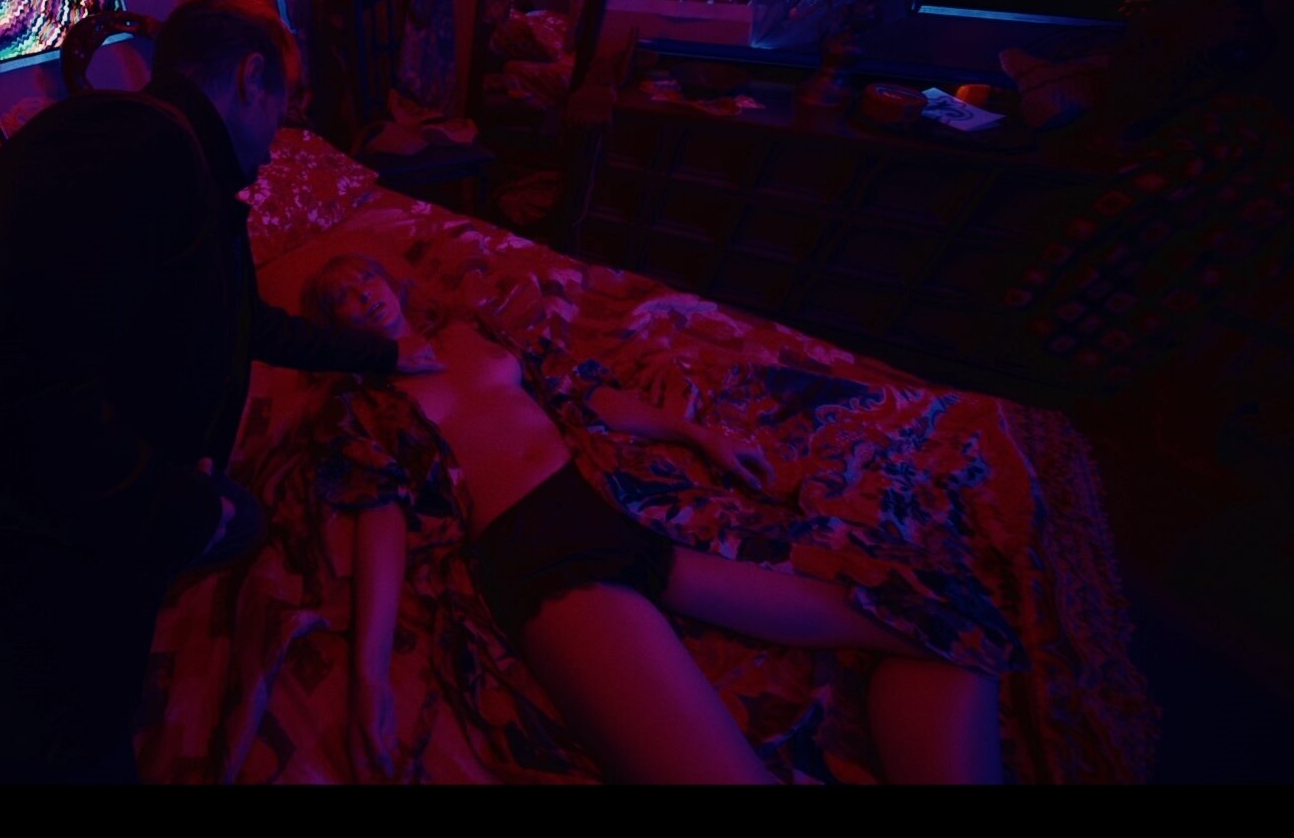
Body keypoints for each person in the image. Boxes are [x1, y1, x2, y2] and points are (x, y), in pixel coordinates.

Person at [0, 0, 438, 784]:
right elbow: (24, 401)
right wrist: (180, 506)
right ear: (251, 77)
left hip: (120, 486)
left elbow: (244, 321)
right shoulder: (128, 149)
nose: (280, 140)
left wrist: (381, 354)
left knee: (246, 525)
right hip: (30, 537)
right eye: (284, 107)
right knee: (71, 743)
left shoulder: (182, 166)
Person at [300, 253, 1006, 785]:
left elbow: (584, 396)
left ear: (391, 281)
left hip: (624, 501)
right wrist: (369, 672)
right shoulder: (364, 404)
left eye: (365, 277)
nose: (362, 296)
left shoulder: (470, 331)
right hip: (537, 553)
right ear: (332, 331)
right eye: (341, 301)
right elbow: (381, 523)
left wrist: (700, 435)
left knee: (940, 624)